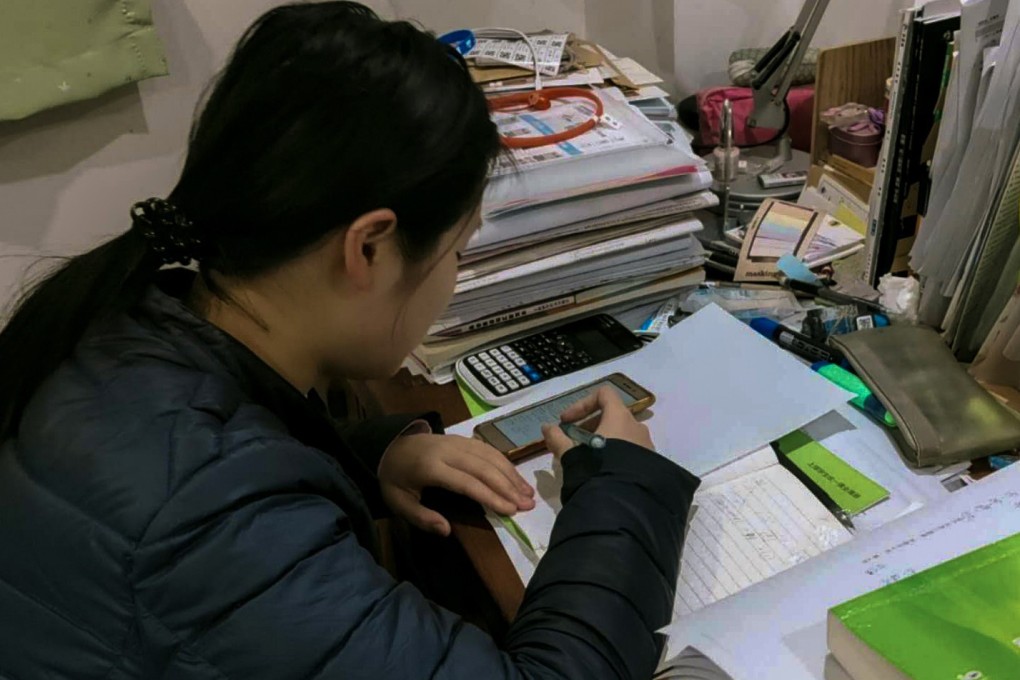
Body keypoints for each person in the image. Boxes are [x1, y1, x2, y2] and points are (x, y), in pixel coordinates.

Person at [0, 3, 699, 678]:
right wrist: (625, 486)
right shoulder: (209, 518)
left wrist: (370, 460)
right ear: (368, 248)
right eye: (458, 253)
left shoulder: (128, 322)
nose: (453, 280)